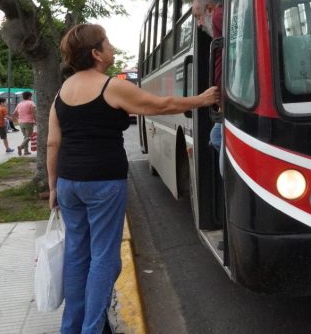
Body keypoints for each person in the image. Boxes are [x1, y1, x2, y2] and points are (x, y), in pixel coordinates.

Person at [48, 23, 217, 334]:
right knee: (103, 258)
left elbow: (53, 143)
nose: (112, 48)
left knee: (76, 254)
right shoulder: (110, 86)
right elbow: (160, 105)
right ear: (96, 53)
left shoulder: (62, 92)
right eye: (107, 43)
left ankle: (71, 328)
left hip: (68, 183)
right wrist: (202, 100)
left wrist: (52, 186)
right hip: (103, 182)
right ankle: (92, 329)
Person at [191, 0, 224, 176]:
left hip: (231, 103)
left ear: (210, 9)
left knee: (218, 141)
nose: (199, 24)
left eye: (199, 16)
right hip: (224, 103)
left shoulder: (220, 16)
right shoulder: (220, 19)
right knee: (216, 137)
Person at [12, 91, 36, 156]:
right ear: (29, 96)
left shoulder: (19, 104)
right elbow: (34, 113)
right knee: (29, 136)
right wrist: (36, 120)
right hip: (29, 122)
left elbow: (14, 114)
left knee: (25, 137)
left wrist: (17, 120)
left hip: (21, 122)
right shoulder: (31, 103)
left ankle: (26, 151)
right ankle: (21, 147)